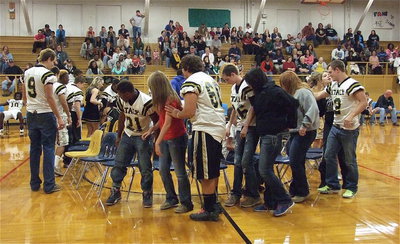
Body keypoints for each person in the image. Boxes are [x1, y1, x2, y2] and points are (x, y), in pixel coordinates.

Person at [166, 55, 225, 221]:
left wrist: (176, 113)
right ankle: (213, 204)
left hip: (205, 127)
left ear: (185, 68)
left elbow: (189, 112)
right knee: (211, 168)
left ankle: (208, 208)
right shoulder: (210, 79)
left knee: (204, 171)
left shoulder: (191, 82)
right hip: (217, 125)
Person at [244, 68, 296, 216]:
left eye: (251, 83)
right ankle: (270, 202)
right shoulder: (261, 92)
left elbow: (293, 103)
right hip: (266, 135)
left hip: (273, 136)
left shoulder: (274, 91)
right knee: (267, 169)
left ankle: (285, 199)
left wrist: (289, 123)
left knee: (264, 170)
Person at [315, 60, 367, 198]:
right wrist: (304, 92)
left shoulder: (352, 84)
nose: (329, 75)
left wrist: (351, 115)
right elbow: (319, 95)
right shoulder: (333, 85)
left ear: (338, 70)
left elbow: (364, 102)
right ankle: (332, 184)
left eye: (331, 72)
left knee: (349, 159)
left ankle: (351, 187)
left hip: (349, 129)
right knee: (328, 155)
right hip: (335, 126)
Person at [145, 71, 193, 213]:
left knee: (179, 172)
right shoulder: (161, 99)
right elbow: (161, 121)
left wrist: (157, 142)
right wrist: (152, 129)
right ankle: (171, 198)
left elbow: (167, 124)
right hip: (166, 138)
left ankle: (186, 202)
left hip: (177, 138)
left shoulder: (171, 99)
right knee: (163, 170)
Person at [106, 81, 158, 207]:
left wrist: (156, 139)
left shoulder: (146, 102)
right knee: (119, 163)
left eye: (121, 94)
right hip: (128, 134)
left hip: (143, 135)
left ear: (128, 93)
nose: (119, 97)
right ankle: (116, 190)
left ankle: (147, 192)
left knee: (145, 167)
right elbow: (122, 117)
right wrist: (119, 135)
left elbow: (157, 121)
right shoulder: (121, 101)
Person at [23, 48, 65, 193]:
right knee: (48, 148)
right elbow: (49, 97)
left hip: (31, 113)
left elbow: (24, 93)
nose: (54, 64)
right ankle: (49, 185)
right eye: (53, 61)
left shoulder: (27, 72)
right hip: (45, 114)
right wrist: (59, 117)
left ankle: (34, 183)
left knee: (34, 149)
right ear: (48, 59)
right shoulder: (47, 74)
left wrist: (28, 105)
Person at [222, 64, 261, 208]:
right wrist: (229, 125)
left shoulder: (247, 86)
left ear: (233, 74)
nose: (226, 82)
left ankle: (254, 194)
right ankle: (236, 193)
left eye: (227, 79)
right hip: (240, 127)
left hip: (251, 127)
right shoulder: (234, 88)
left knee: (245, 161)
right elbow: (234, 108)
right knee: (238, 162)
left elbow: (254, 106)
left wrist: (246, 125)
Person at [280, 71, 319, 203]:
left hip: (305, 132)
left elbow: (312, 109)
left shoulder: (303, 92)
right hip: (295, 131)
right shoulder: (293, 94)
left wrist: (305, 125)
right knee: (295, 159)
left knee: (295, 160)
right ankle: (295, 189)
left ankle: (302, 191)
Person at [53, 70, 72, 176]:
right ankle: (55, 166)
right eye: (67, 77)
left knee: (53, 143)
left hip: (50, 116)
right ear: (62, 77)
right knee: (63, 142)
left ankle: (50, 165)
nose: (68, 79)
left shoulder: (50, 85)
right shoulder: (60, 87)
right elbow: (64, 102)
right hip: (60, 116)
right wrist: (69, 115)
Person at [66, 76, 85, 146]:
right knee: (75, 136)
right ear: (79, 83)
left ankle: (66, 154)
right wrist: (79, 119)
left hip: (64, 112)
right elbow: (77, 105)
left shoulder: (66, 86)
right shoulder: (78, 91)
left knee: (66, 135)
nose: (83, 87)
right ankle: (73, 151)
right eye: (83, 84)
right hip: (73, 113)